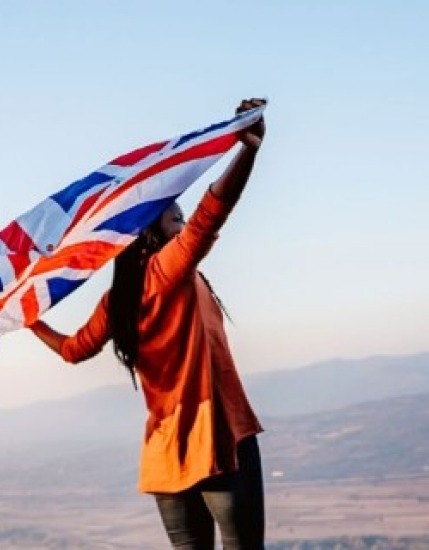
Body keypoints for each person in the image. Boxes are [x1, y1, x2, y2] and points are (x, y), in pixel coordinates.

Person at [27, 98, 268, 549]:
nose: (179, 210)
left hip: (165, 456)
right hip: (216, 441)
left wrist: (30, 321)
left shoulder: (115, 302)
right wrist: (247, 151)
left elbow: (73, 350)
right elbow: (213, 212)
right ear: (145, 234)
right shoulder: (167, 272)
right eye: (171, 211)